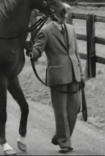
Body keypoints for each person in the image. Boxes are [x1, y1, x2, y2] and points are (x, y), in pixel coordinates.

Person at [25, 8, 85, 153]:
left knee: (73, 110)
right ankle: (64, 143)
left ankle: (60, 136)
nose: (64, 17)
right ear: (54, 15)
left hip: (74, 75)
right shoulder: (45, 31)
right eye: (62, 14)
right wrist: (31, 51)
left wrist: (81, 75)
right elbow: (37, 52)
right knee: (61, 113)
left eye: (66, 14)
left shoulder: (71, 29)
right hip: (58, 76)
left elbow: (76, 53)